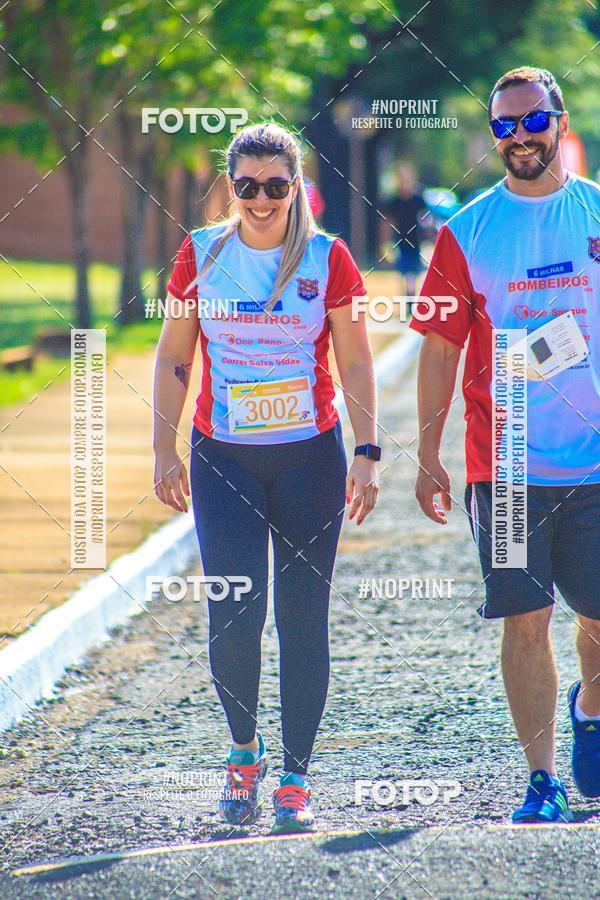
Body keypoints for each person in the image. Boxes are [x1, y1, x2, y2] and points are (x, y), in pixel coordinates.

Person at [153, 122, 381, 834]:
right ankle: (243, 754)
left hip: (310, 457)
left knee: (302, 619)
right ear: (231, 187)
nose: (259, 200)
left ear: (296, 187)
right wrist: (165, 451)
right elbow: (174, 357)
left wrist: (368, 451)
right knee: (235, 611)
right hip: (225, 460)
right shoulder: (200, 254)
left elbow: (357, 361)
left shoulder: (326, 257)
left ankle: (294, 777)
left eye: (275, 187)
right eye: (246, 186)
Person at [411, 66, 600, 823]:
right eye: (502, 126)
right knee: (526, 619)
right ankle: (542, 779)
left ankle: (588, 707)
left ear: (558, 120)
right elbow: (437, 347)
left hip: (594, 464)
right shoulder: (468, 232)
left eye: (530, 121)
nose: (518, 137)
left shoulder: (593, 215)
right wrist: (428, 453)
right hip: (510, 465)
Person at [383, 163, 427, 296]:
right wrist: (385, 243)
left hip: (415, 241)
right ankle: (408, 298)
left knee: (413, 273)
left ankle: (411, 296)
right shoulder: (395, 201)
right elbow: (388, 223)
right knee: (405, 272)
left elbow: (425, 217)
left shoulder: (418, 200)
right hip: (401, 242)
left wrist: (428, 231)